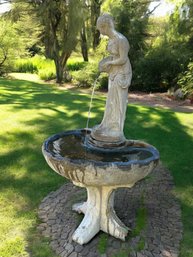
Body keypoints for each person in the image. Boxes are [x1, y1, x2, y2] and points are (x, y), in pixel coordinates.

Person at [91, 13, 132, 146]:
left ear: (105, 26)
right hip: (113, 72)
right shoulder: (110, 39)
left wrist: (110, 63)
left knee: (119, 101)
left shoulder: (121, 39)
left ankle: (117, 130)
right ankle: (107, 125)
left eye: (100, 29)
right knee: (111, 101)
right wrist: (107, 63)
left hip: (123, 73)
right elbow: (113, 57)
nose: (100, 32)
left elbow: (123, 59)